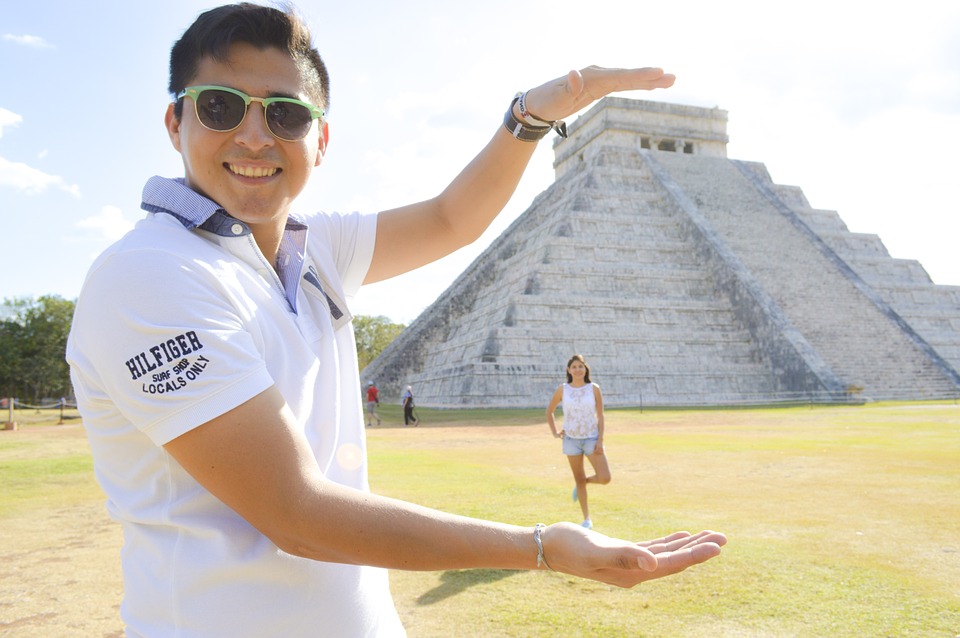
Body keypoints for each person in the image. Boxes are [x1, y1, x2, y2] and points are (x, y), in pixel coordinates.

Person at [65, 3, 726, 636]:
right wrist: (540, 547)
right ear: (174, 123)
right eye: (220, 106)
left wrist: (529, 117)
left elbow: (451, 219)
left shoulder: (312, 246)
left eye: (287, 115)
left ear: (320, 139)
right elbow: (295, 512)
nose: (255, 135)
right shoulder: (151, 274)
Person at [546, 354, 610, 529]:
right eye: (574, 367)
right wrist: (555, 432)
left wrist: (600, 440)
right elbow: (549, 411)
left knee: (605, 477)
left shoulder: (594, 388)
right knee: (578, 478)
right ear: (569, 370)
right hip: (571, 440)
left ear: (585, 369)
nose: (577, 370)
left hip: (591, 438)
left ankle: (582, 483)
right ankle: (587, 519)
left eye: (580, 366)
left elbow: (601, 415)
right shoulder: (563, 389)